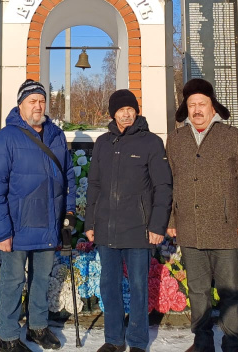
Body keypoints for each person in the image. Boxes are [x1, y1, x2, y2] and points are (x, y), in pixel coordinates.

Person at [0, 79, 76, 352]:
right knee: (13, 281)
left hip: (48, 222)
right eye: (32, 101)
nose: (38, 106)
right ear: (20, 105)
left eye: (41, 100)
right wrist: (2, 232)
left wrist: (68, 212)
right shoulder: (6, 138)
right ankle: (9, 337)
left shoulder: (56, 135)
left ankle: (37, 327)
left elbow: (68, 176)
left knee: (42, 278)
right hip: (17, 225)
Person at [166, 78, 238, 352]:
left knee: (229, 291)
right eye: (191, 105)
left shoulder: (234, 137)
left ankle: (232, 344)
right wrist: (171, 220)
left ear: (212, 106)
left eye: (201, 104)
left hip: (227, 228)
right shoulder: (176, 139)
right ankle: (202, 342)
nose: (196, 110)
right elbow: (171, 182)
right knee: (197, 291)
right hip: (190, 229)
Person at [84, 89, 172, 352]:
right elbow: (94, 185)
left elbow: (163, 186)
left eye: (130, 109)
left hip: (139, 229)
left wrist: (157, 225)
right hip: (106, 229)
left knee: (138, 287)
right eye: (120, 109)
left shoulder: (151, 143)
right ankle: (113, 340)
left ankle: (136, 342)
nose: (125, 113)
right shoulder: (102, 143)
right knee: (109, 286)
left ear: (136, 111)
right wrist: (90, 223)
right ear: (113, 113)